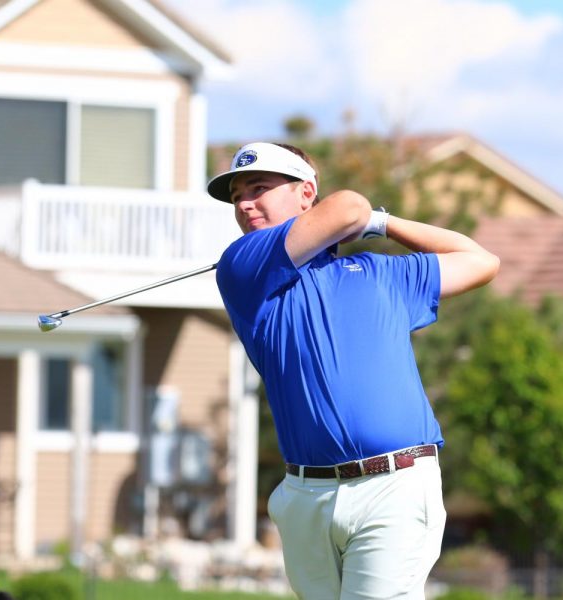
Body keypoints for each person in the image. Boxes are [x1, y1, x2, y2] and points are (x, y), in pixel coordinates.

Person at [208, 142, 499, 599]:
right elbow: (347, 209)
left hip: (395, 486)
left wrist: (382, 223)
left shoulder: (382, 273)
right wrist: (355, 220)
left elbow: (482, 261)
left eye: (259, 188)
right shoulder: (243, 267)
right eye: (237, 195)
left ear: (306, 193)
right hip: (307, 497)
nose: (245, 204)